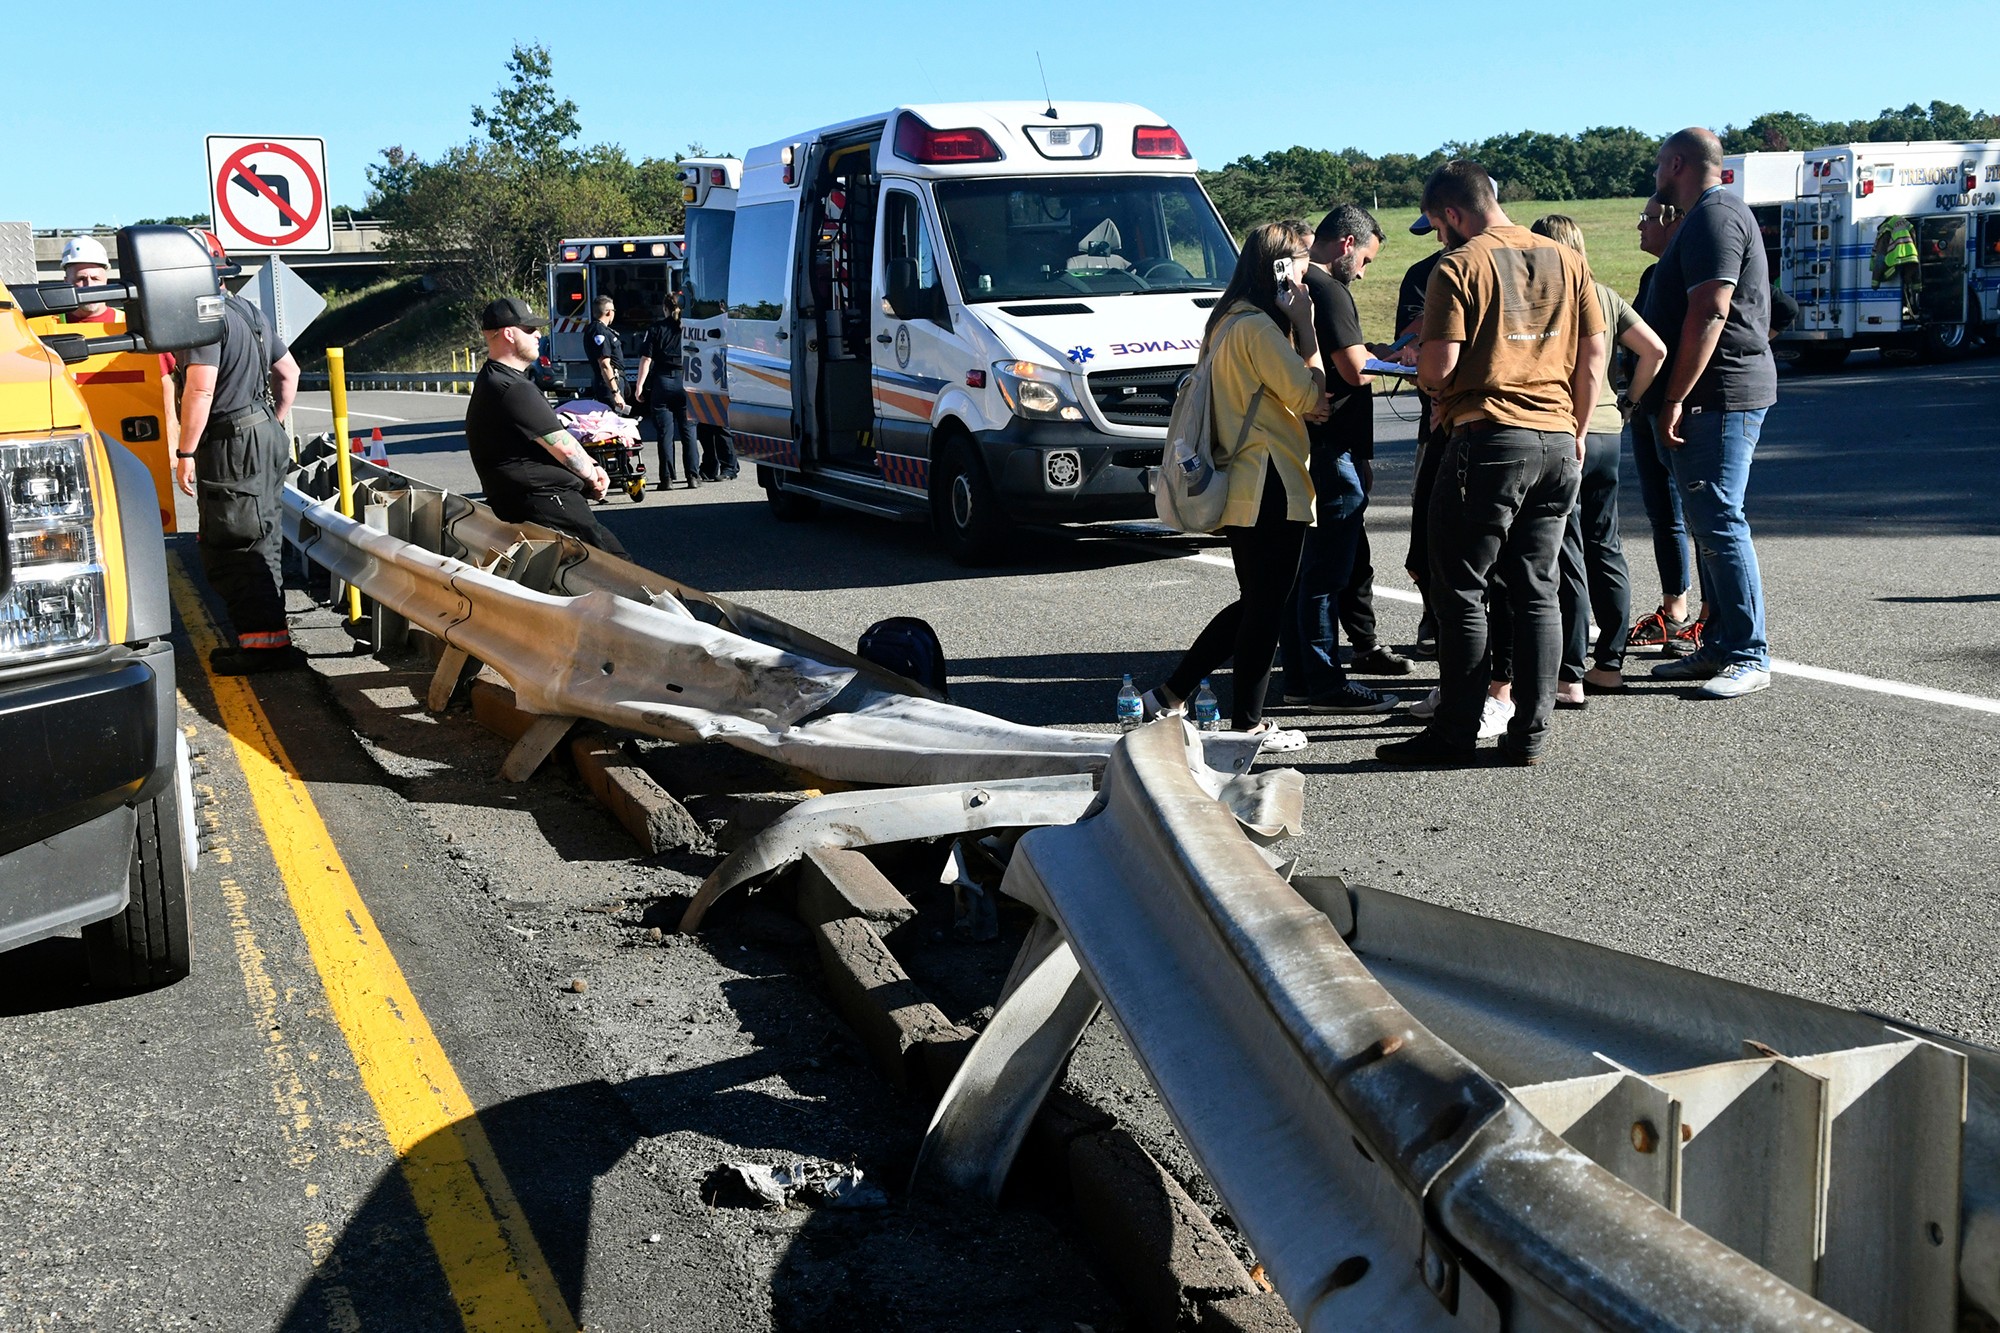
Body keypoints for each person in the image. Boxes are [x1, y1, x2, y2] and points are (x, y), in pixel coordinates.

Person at [1377, 162, 1605, 767]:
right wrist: (1577, 430)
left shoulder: (1459, 266)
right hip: (1558, 438)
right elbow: (1592, 356)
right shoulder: (1566, 259)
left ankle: (1454, 730)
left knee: (1461, 590)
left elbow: (1439, 369)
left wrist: (1422, 361)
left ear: (1452, 213)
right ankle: (1529, 734)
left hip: (1489, 439)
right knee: (1536, 589)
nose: (1439, 236)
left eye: (1436, 224)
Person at [1142, 221, 1326, 752]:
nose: (1309, 270)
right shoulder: (1260, 329)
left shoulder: (1225, 321)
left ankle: (1171, 695)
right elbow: (1312, 395)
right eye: (1303, 258)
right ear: (1280, 268)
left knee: (1256, 602)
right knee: (1265, 607)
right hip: (1271, 477)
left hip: (1242, 479)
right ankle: (1247, 725)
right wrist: (1307, 329)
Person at [1643, 127, 1778, 699]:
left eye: (1657, 166)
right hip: (1710, 395)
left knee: (1721, 524)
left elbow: (1711, 309)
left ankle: (1749, 653)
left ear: (1676, 163)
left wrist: (1674, 395)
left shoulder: (1714, 215)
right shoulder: (1709, 213)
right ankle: (1719, 646)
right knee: (1708, 526)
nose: (1654, 177)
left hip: (1717, 396)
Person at [1530, 215, 1666, 705]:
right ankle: (1609, 662)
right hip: (1611, 427)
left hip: (1568, 427)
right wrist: (1629, 402)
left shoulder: (1551, 298)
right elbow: (1654, 350)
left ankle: (1569, 671)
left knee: (1565, 549)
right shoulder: (1606, 295)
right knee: (1605, 544)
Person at [1279, 205, 1396, 715]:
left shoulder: (1300, 284)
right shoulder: (1327, 288)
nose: (1364, 272)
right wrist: (1392, 361)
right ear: (1348, 243)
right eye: (1365, 260)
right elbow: (1352, 371)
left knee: (1307, 573)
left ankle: (1303, 677)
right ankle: (1325, 682)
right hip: (1330, 451)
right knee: (1326, 577)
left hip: (1314, 446)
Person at [172, 231, 304, 675]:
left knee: (234, 540)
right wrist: (271, 423)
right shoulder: (249, 311)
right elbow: (288, 371)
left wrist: (185, 451)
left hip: (232, 443)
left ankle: (263, 649)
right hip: (263, 432)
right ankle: (271, 640)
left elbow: (200, 387)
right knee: (261, 536)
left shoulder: (202, 318)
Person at [465, 297, 630, 558]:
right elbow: (561, 446)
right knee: (617, 570)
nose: (538, 335)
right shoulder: (512, 388)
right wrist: (594, 473)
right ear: (509, 334)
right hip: (546, 500)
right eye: (530, 329)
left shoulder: (494, 379)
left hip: (532, 501)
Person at [1624, 198, 1706, 658]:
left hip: (1681, 413)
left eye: (1647, 217)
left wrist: (1705, 381)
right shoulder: (1651, 277)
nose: (1640, 225)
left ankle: (1709, 617)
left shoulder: (1698, 267)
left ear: (1672, 220)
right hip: (1646, 412)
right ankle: (1675, 613)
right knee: (1664, 518)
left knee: (1700, 518)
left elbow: (1779, 311)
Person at [635, 296, 698, 489]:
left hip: (662, 382)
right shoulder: (690, 329)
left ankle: (667, 478)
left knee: (665, 433)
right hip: (686, 380)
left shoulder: (655, 329)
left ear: (664, 308)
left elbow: (646, 360)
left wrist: (639, 386)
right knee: (689, 432)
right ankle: (693, 477)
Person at [584, 295, 628, 413]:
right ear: (608, 312)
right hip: (608, 384)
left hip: (610, 382)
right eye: (613, 311)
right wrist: (615, 392)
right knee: (613, 422)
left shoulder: (599, 329)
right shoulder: (599, 331)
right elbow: (604, 364)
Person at [59, 236, 115, 324]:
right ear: (66, 282)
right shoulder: (49, 324)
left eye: (95, 279)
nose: (89, 285)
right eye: (81, 279)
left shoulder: (128, 321)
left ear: (105, 281)